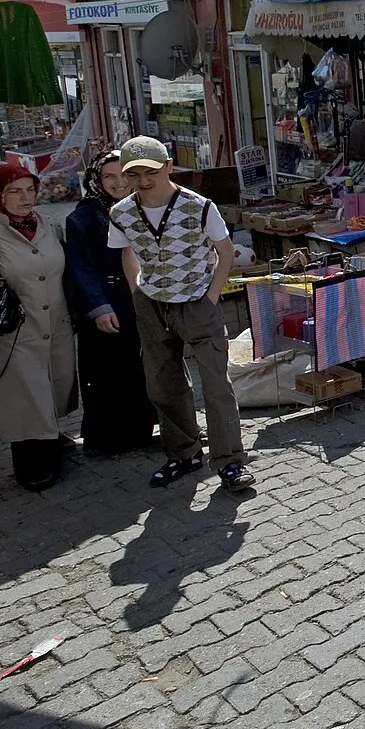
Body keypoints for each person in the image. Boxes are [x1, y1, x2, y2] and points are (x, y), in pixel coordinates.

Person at [106, 136, 251, 492]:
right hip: (152, 303)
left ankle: (230, 461)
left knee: (216, 384)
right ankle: (183, 453)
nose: (143, 180)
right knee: (163, 383)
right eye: (134, 173)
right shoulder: (122, 212)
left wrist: (211, 297)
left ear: (168, 166)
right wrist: (136, 290)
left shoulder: (198, 206)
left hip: (196, 301)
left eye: (150, 171)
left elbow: (225, 250)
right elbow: (126, 252)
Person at [0, 165, 78, 493]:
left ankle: (50, 436)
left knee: (52, 385)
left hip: (54, 323)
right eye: (14, 191)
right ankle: (33, 466)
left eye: (30, 189)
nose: (25, 198)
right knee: (24, 397)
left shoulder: (47, 225)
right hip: (12, 331)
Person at [63, 152, 157, 455]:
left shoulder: (140, 206)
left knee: (138, 368)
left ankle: (142, 432)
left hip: (139, 299)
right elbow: (81, 267)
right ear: (97, 180)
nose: (119, 183)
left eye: (124, 175)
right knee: (108, 374)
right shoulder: (84, 217)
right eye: (109, 177)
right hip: (109, 304)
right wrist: (98, 307)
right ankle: (107, 441)